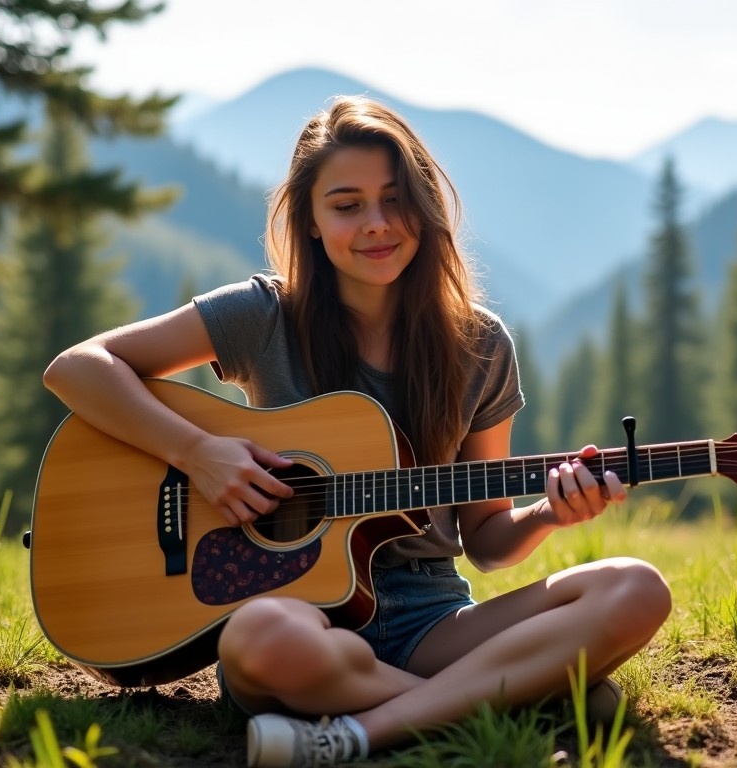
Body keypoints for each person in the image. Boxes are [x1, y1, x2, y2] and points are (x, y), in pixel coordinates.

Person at [43, 95, 672, 767]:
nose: (377, 224)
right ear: (310, 221)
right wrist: (197, 453)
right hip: (293, 616)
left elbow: (486, 540)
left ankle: (357, 734)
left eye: (395, 200)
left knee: (636, 587)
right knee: (261, 641)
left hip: (430, 620)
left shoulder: (480, 344)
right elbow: (77, 368)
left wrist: (548, 511)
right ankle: (505, 701)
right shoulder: (263, 315)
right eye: (347, 205)